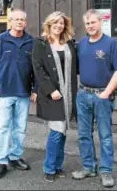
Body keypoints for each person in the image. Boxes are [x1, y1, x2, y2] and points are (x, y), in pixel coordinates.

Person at [72, 9, 117, 188]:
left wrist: (107, 92)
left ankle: (106, 171)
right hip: (83, 94)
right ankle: (88, 167)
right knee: (83, 135)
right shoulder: (81, 44)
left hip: (102, 96)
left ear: (101, 22)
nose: (90, 26)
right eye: (87, 23)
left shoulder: (111, 44)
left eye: (93, 22)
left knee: (105, 136)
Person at [0, 8, 37, 179]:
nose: (19, 22)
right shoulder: (0, 40)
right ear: (10, 21)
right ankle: (1, 161)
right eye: (16, 19)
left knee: (20, 128)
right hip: (4, 92)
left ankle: (15, 157)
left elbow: (37, 69)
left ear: (26, 22)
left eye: (22, 19)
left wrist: (35, 89)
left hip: (23, 92)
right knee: (3, 127)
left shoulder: (31, 42)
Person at [31, 11, 78, 183]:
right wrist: (51, 90)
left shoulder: (70, 44)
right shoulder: (40, 44)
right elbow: (38, 69)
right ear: (49, 24)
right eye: (55, 23)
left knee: (63, 132)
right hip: (52, 95)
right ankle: (49, 168)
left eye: (62, 23)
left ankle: (58, 166)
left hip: (69, 94)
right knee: (57, 131)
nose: (59, 26)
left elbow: (77, 66)